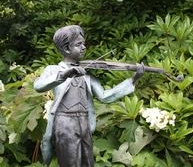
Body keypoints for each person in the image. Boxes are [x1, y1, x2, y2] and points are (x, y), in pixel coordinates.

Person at [34, 25, 144, 167]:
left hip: (84, 122)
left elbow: (105, 96)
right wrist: (64, 75)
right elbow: (38, 86)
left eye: (84, 43)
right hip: (65, 123)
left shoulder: (86, 75)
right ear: (66, 49)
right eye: (79, 44)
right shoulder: (54, 70)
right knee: (70, 163)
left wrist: (133, 79)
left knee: (87, 162)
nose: (84, 47)